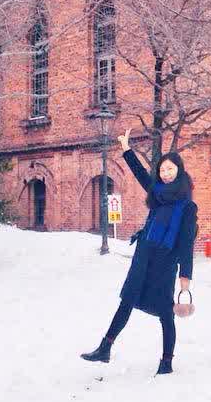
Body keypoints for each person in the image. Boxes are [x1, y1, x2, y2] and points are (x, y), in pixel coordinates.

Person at [80, 128, 198, 375]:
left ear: (179, 171)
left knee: (166, 312)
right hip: (144, 256)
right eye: (162, 170)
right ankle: (105, 348)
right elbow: (140, 174)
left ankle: (166, 362)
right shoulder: (157, 194)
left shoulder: (187, 206)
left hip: (165, 262)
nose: (165, 174)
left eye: (170, 169)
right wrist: (126, 148)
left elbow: (187, 243)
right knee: (127, 300)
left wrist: (185, 277)